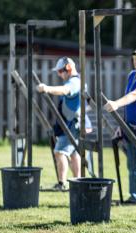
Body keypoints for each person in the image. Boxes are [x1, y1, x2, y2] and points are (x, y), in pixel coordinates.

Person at [104, 47, 136, 204]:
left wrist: (116, 104)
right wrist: (122, 124)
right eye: (135, 58)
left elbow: (135, 95)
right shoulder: (132, 75)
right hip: (128, 126)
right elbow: (129, 104)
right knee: (132, 165)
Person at [37, 57, 93, 191]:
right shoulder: (76, 81)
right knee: (74, 154)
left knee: (59, 152)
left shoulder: (74, 82)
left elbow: (64, 90)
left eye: (60, 71)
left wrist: (46, 88)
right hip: (73, 122)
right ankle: (77, 182)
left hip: (72, 124)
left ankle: (62, 183)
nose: (59, 74)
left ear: (67, 69)